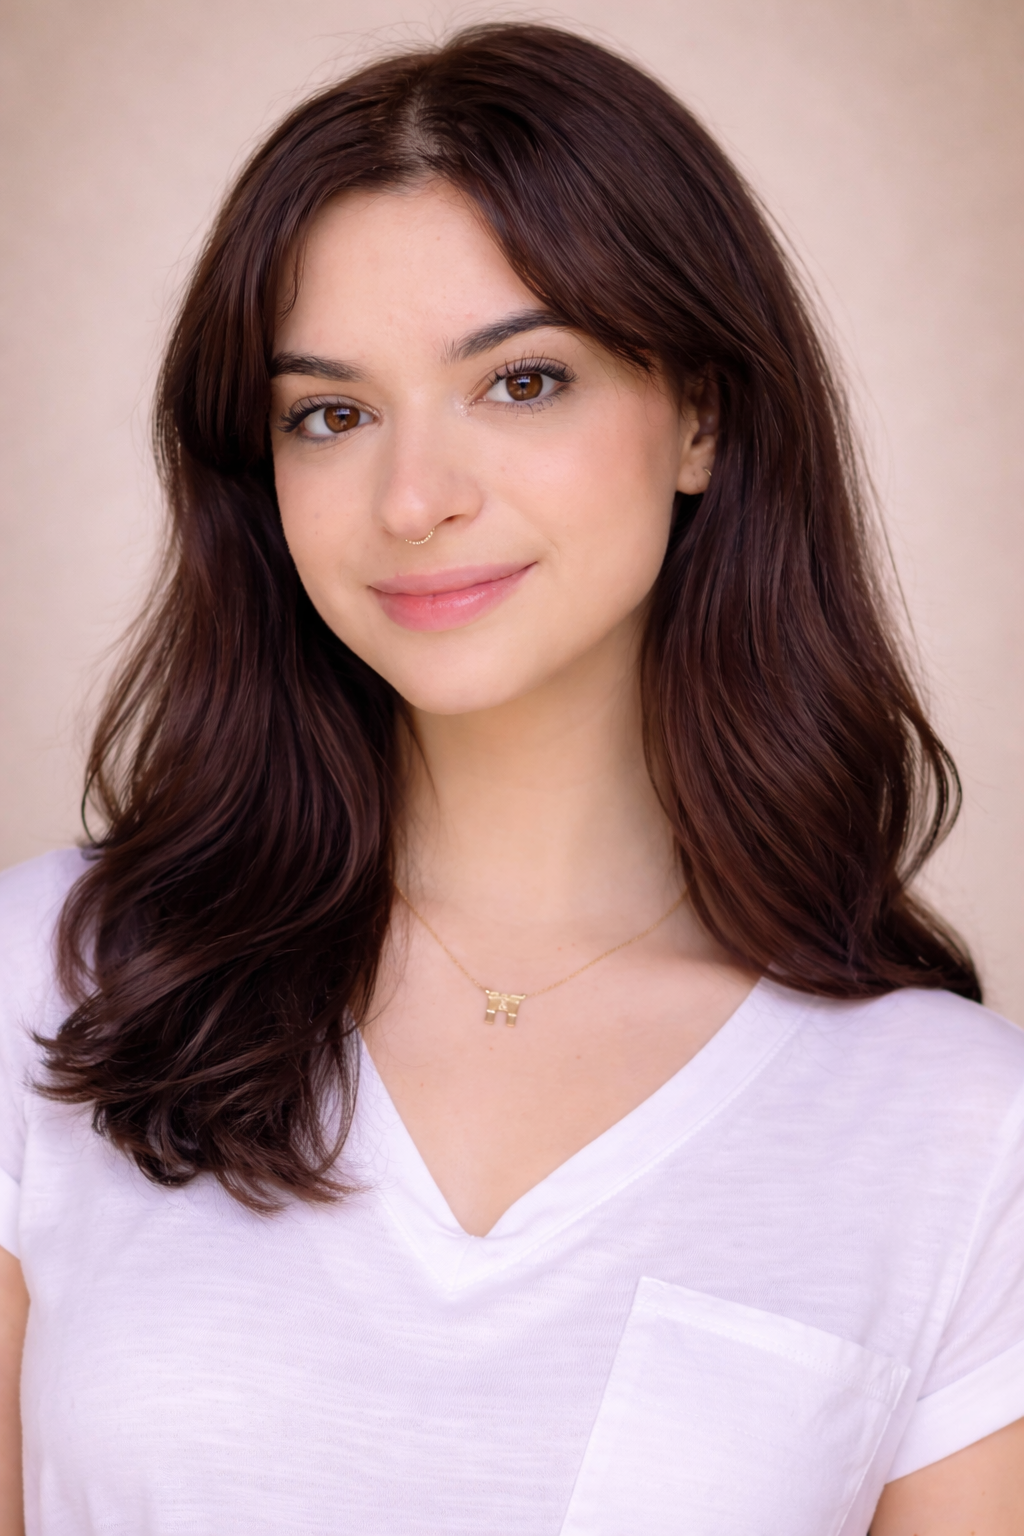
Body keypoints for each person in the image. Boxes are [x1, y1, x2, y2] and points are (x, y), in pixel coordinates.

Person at [0, 21, 1021, 1535]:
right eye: (331, 414)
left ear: (701, 415)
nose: (414, 498)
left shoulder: (957, 1128)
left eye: (523, 381)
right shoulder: (54, 980)